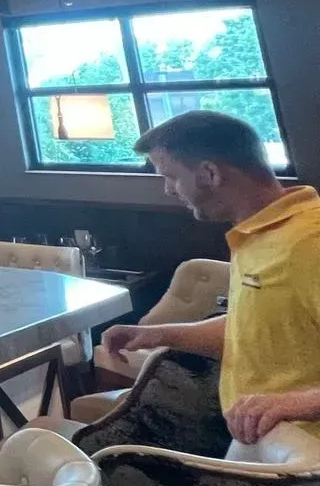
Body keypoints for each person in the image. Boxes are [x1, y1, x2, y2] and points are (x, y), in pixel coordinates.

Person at [102, 109, 320, 443]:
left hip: (298, 464)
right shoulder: (257, 234)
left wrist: (295, 403)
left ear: (209, 173)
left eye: (171, 176)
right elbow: (256, 330)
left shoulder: (309, 241)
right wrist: (158, 334)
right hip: (253, 443)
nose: (168, 190)